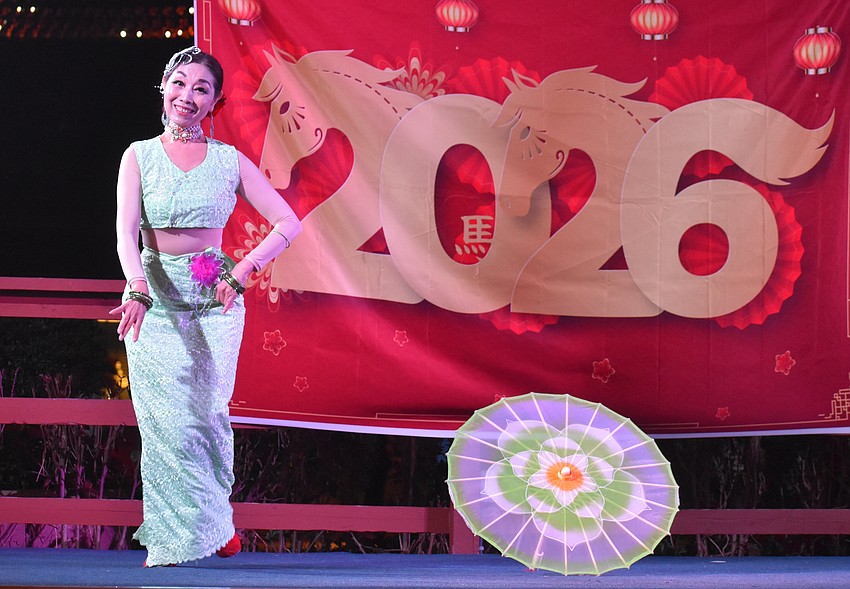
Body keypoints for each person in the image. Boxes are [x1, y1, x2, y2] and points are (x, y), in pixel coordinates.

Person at [109, 46, 302, 567]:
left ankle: (217, 525)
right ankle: (178, 536)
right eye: (179, 83)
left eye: (201, 89)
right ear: (164, 88)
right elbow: (127, 233)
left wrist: (241, 274)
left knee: (207, 417)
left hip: (214, 300)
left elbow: (289, 223)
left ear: (215, 101)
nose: (187, 96)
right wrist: (136, 288)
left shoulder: (228, 161)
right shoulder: (139, 155)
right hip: (151, 300)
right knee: (164, 422)